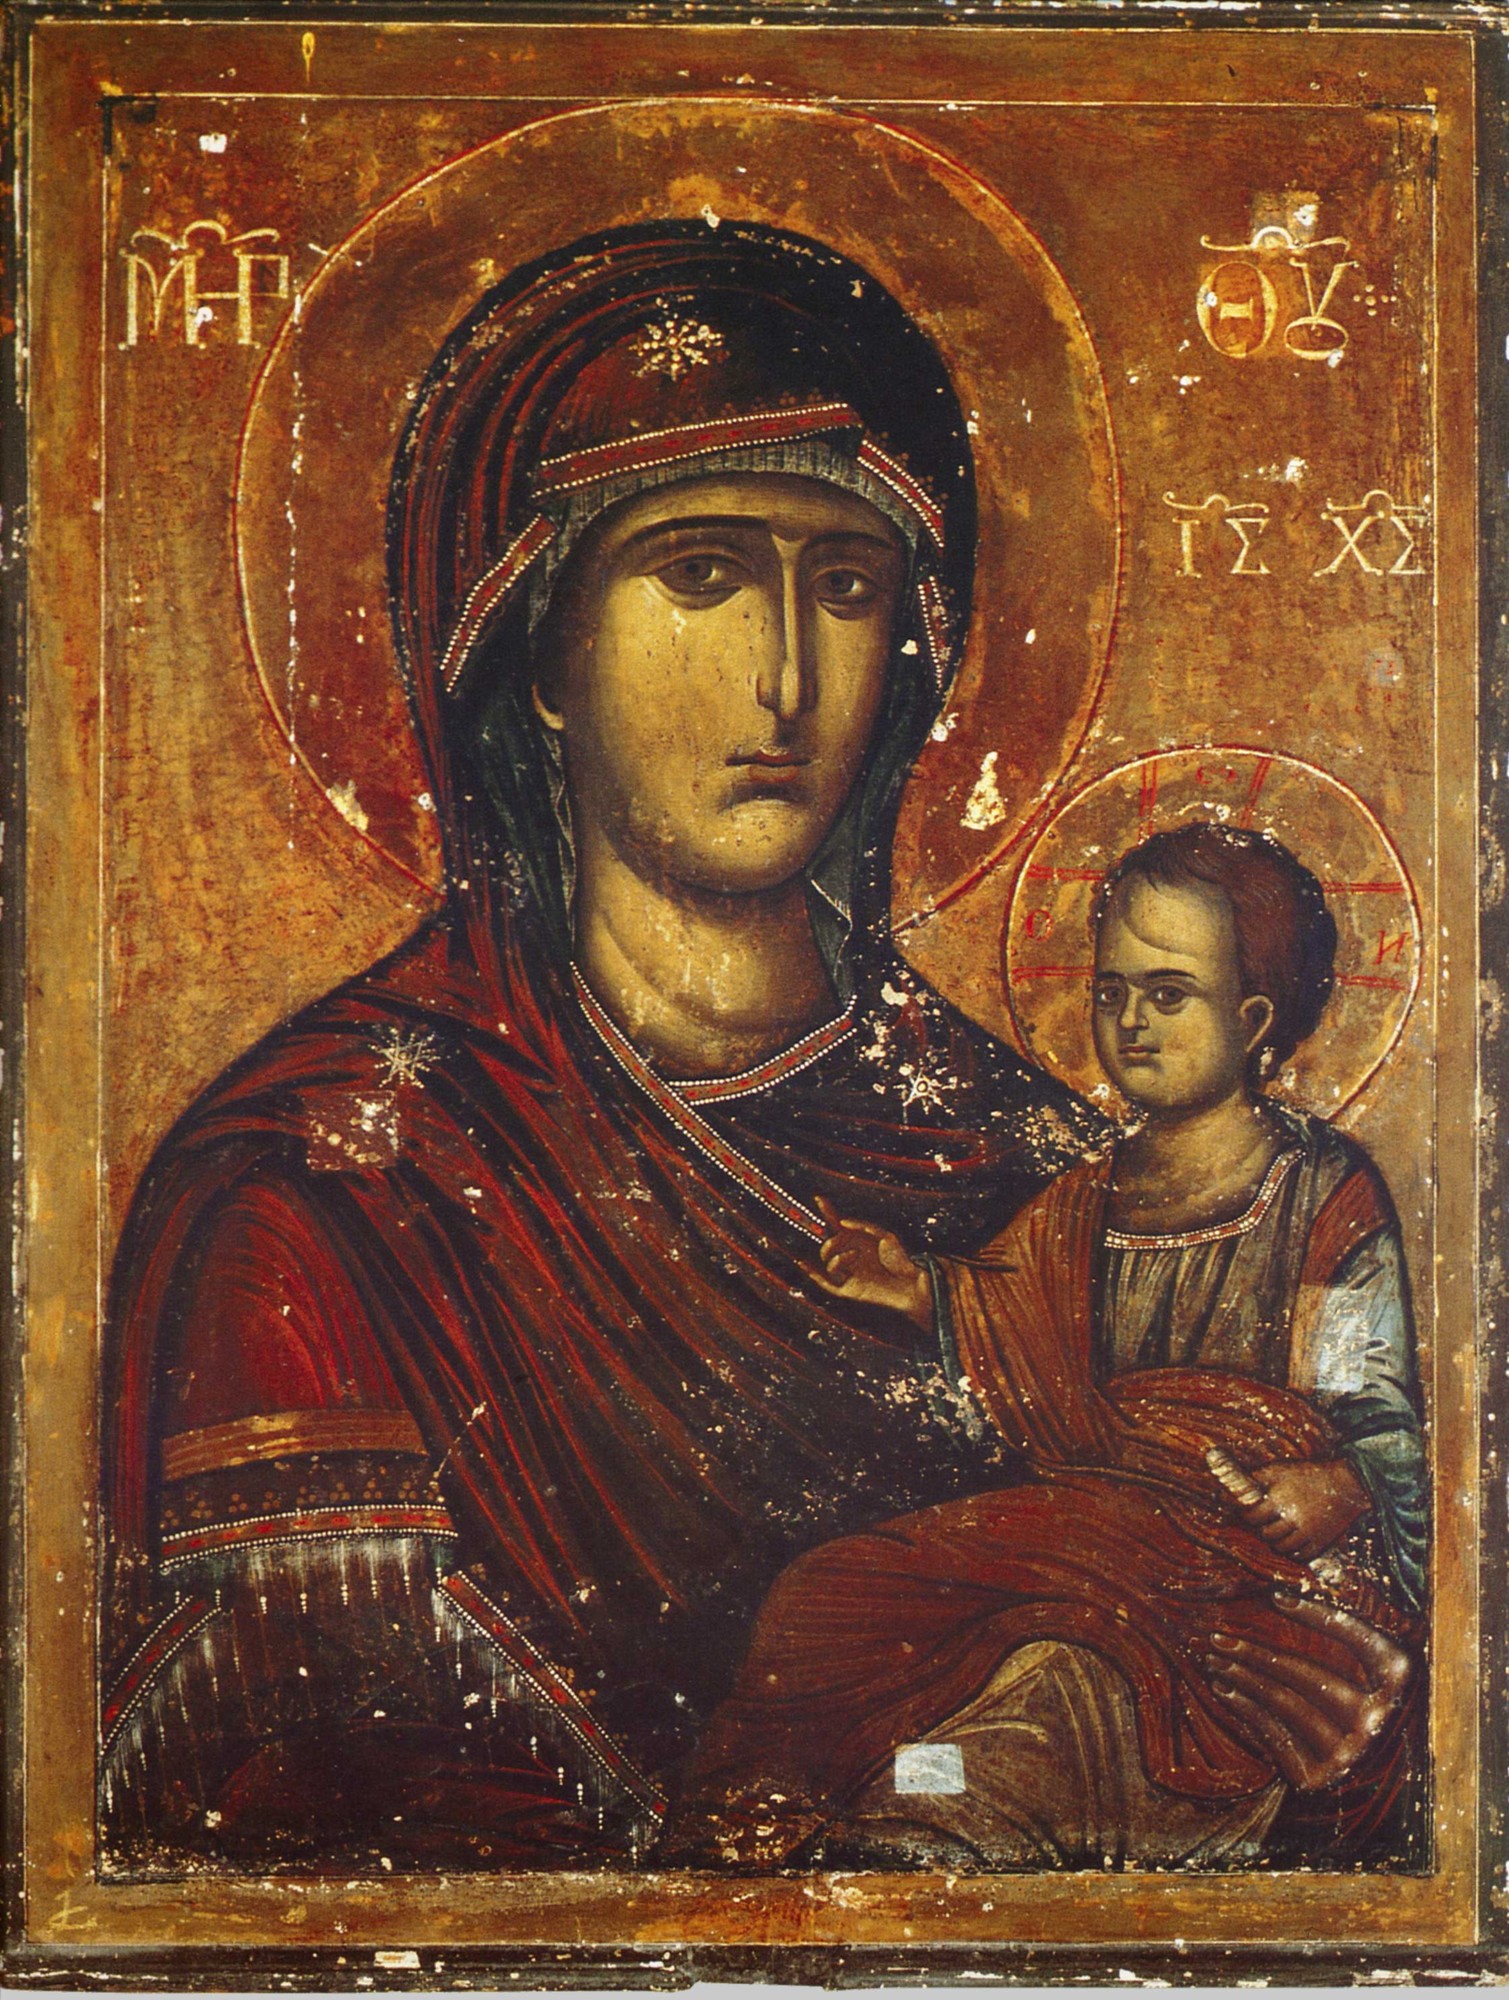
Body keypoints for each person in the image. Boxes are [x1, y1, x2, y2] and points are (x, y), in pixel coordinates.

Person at [99, 224, 1411, 1874]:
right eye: (701, 574)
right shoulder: (330, 1190)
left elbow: (1343, 1728)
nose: (784, 676)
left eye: (844, 586)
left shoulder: (1038, 1170)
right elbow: (288, 1812)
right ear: (543, 654)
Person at [671, 823, 1425, 1871]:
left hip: (1234, 1556)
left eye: (1169, 994)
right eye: (1112, 991)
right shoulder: (1082, 1197)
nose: (1131, 1022)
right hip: (1090, 1523)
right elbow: (1009, 1320)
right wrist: (911, 1285)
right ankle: (792, 1812)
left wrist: (1338, 1485)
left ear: (1253, 1019)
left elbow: (1375, 1410)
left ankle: (937, 1815)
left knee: (1056, 1679)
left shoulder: (1319, 1197)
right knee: (829, 1587)